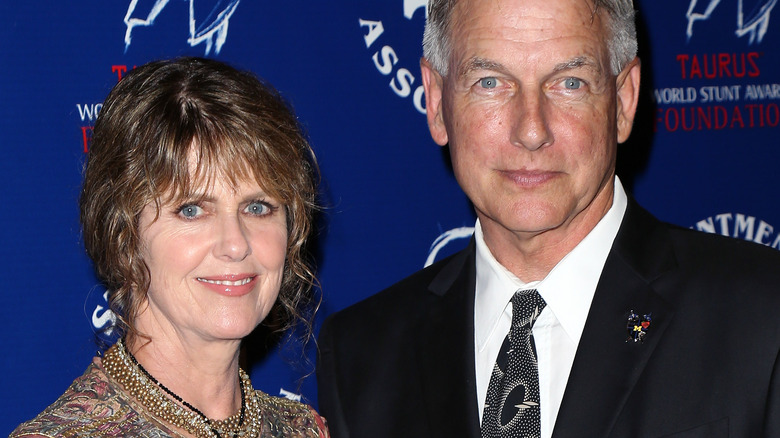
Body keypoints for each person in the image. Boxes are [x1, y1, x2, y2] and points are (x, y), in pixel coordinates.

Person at [316, 0, 780, 437]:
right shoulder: (362, 355)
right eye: (491, 82)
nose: (532, 130)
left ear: (624, 100)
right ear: (436, 102)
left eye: (569, 82)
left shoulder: (763, 317)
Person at [12, 57, 329, 438]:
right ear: (123, 232)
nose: (236, 244)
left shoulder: (303, 430)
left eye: (257, 207)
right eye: (192, 210)